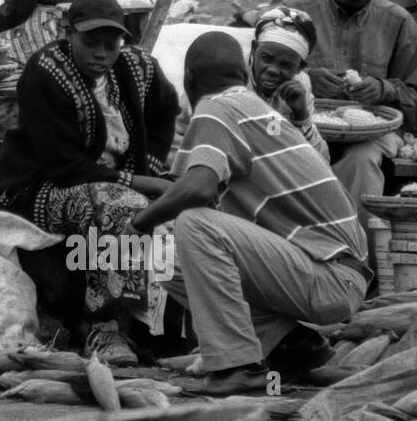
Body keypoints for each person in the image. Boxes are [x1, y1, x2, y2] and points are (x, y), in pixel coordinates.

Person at [130, 32, 370, 394]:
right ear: (245, 71)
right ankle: (290, 345)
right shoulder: (254, 108)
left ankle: (238, 365)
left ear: (190, 79)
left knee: (193, 224)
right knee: (166, 256)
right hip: (328, 273)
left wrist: (138, 223)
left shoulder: (219, 107)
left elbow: (199, 188)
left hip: (332, 278)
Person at [0, 0, 180, 364]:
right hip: (40, 186)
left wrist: (151, 167)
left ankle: (162, 327)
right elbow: (65, 166)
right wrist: (145, 183)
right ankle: (104, 328)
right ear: (67, 32)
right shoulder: (45, 72)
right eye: (90, 42)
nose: (101, 53)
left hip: (112, 179)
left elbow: (166, 107)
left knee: (183, 205)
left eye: (111, 44)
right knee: (119, 206)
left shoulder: (137, 67)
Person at [284, 0, 417, 210]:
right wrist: (305, 79)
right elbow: (260, 79)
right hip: (300, 124)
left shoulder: (399, 22)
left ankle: (353, 248)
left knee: (361, 160)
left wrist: (384, 89)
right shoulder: (295, 13)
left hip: (372, 135)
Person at [248, 6, 329, 161]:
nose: (272, 70)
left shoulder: (300, 85)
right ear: (254, 49)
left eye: (285, 65)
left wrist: (301, 116)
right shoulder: (231, 75)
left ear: (300, 68)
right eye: (267, 58)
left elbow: (322, 160)